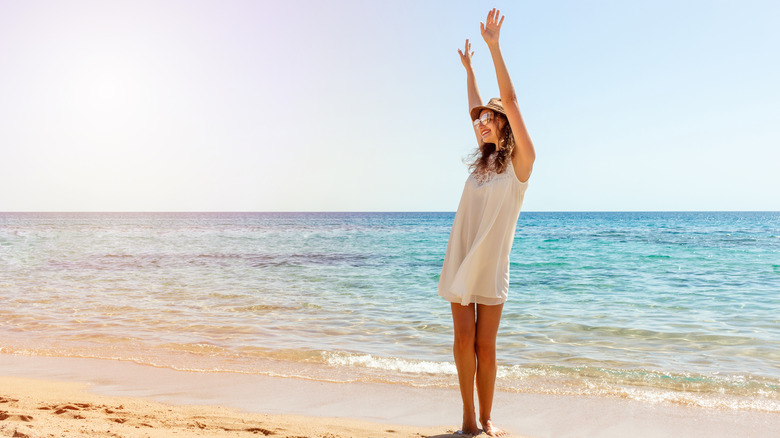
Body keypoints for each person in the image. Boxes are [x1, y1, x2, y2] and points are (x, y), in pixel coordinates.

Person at [437, 8, 535, 437]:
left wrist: (495, 48)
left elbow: (509, 103)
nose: (482, 122)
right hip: (462, 255)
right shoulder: (480, 166)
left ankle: (489, 417)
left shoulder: (519, 167)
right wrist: (469, 71)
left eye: (489, 118)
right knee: (463, 342)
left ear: (505, 124)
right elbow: (473, 110)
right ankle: (468, 420)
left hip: (491, 264)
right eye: (480, 120)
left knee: (486, 346)